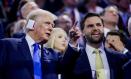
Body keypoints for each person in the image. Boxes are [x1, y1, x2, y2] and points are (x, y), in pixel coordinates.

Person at [61, 13, 131, 79]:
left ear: (103, 28)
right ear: (83, 32)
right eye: (90, 26)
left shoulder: (119, 58)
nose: (95, 28)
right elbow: (64, 70)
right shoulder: (74, 58)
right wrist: (73, 42)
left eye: (98, 25)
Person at [0, 9, 57, 79]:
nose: (51, 28)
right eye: (47, 23)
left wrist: (72, 43)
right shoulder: (8, 45)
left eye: (52, 25)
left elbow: (68, 67)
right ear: (32, 25)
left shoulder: (53, 54)